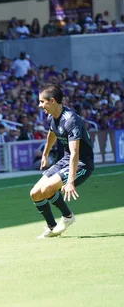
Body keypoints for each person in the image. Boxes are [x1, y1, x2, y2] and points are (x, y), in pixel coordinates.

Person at [29, 84, 94, 239]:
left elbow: (75, 153)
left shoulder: (71, 120)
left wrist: (70, 181)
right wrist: (45, 154)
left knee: (47, 190)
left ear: (52, 101)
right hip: (65, 159)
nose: (39, 105)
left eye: (42, 101)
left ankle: (68, 216)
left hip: (81, 163)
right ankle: (52, 227)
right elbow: (52, 133)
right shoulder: (51, 116)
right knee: (35, 194)